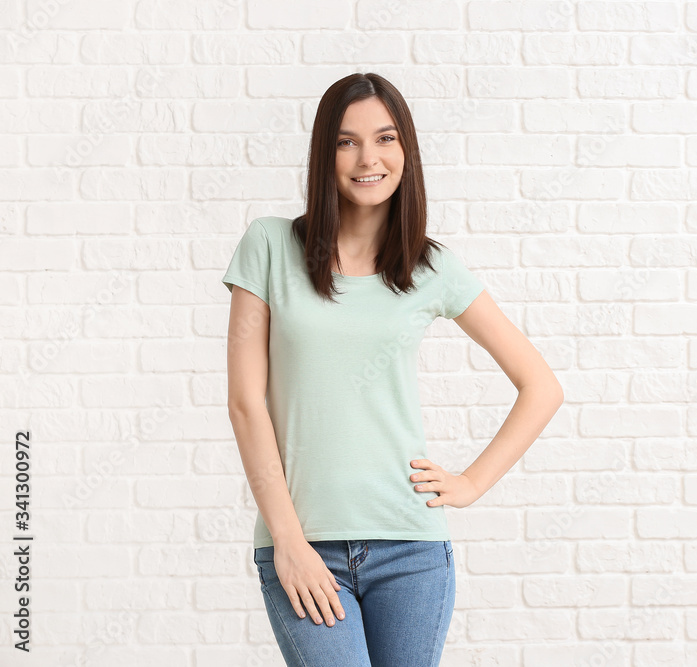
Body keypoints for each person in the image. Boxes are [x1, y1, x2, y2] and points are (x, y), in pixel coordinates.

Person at [222, 72, 563, 667]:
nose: (367, 158)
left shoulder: (432, 267)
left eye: (385, 138)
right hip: (305, 547)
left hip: (411, 548)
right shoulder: (270, 246)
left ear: (406, 150)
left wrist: (471, 482)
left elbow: (541, 386)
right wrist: (287, 539)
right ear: (324, 154)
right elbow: (246, 404)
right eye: (346, 142)